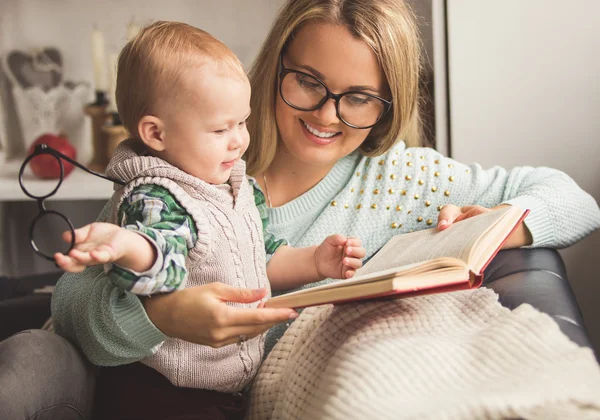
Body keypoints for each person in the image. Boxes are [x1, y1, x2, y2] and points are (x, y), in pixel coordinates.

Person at [1, 0, 599, 418]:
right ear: (275, 68)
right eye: (308, 82)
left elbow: (573, 198)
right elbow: (75, 308)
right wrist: (162, 317)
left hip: (223, 398)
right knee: (34, 361)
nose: (327, 115)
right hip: (127, 380)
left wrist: (501, 227)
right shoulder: (197, 159)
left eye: (359, 97)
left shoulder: (402, 177)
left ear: (385, 106)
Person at [55, 20, 365, 419]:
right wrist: (128, 246)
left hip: (223, 390)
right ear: (156, 133)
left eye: (242, 122)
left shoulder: (236, 185)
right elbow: (162, 259)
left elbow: (261, 257)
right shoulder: (158, 197)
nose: (238, 139)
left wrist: (314, 262)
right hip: (160, 394)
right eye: (221, 129)